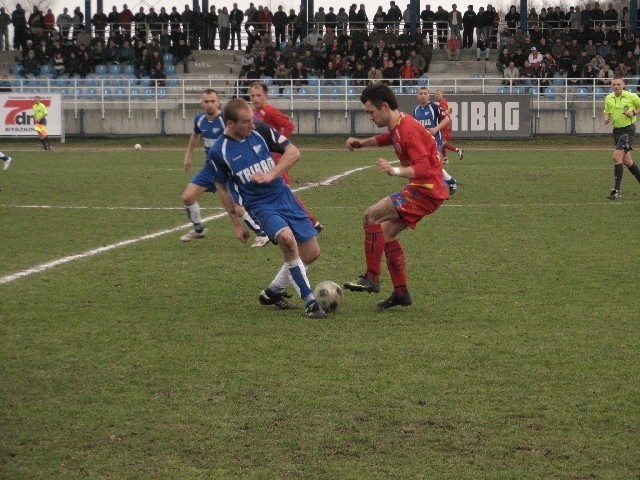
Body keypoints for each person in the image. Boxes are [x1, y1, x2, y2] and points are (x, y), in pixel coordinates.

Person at [210, 98, 327, 319]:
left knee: (311, 252)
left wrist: (271, 174)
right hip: (259, 205)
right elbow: (221, 187)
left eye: (251, 120)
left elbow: (294, 153)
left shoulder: (261, 131)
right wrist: (236, 223)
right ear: (230, 123)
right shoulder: (219, 151)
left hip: (283, 195)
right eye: (245, 122)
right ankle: (310, 301)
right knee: (287, 239)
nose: (251, 125)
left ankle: (274, 291)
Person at [343, 83, 448, 310]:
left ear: (385, 106)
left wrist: (395, 171)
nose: (370, 117)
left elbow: (423, 169)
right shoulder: (400, 124)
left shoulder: (408, 130)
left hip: (425, 190)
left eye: (371, 112)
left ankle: (372, 277)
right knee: (385, 235)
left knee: (370, 216)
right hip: (425, 189)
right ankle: (401, 294)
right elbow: (387, 138)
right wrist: (362, 143)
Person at [180, 89, 269, 247]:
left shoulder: (225, 120)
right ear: (202, 103)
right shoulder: (200, 119)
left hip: (227, 169)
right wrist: (188, 155)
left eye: (212, 101)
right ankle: (198, 229)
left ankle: (262, 233)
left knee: (238, 207)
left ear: (219, 102)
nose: (209, 104)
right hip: (209, 169)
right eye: (206, 101)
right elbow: (195, 135)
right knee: (187, 198)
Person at [248, 82, 323, 232]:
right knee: (280, 193)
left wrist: (280, 148)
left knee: (284, 193)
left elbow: (288, 125)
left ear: (266, 96)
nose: (255, 98)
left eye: (259, 95)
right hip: (263, 159)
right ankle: (310, 223)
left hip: (274, 160)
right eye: (252, 96)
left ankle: (309, 223)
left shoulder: (269, 111)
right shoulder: (253, 113)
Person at [413, 87, 457, 193]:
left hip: (435, 140)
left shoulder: (434, 107)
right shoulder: (416, 110)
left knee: (434, 163)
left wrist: (435, 129)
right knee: (428, 164)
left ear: (428, 96)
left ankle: (440, 185)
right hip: (422, 142)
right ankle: (450, 182)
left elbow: (447, 118)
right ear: (417, 96)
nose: (423, 95)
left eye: (425, 93)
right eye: (421, 93)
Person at [603, 76, 640, 200]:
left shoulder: (631, 96)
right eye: (614, 84)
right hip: (616, 131)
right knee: (627, 161)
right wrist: (607, 117)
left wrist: (634, 112)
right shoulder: (609, 98)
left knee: (616, 156)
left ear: (623, 85)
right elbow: (607, 110)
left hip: (628, 130)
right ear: (611, 86)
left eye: (618, 84)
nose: (616, 86)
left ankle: (616, 190)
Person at [434, 89, 464, 163]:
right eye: (436, 94)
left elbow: (445, 113)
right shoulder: (442, 102)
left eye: (438, 94)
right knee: (442, 142)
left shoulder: (442, 103)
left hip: (445, 125)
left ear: (442, 94)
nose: (437, 95)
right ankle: (445, 158)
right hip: (445, 124)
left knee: (441, 143)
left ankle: (457, 150)